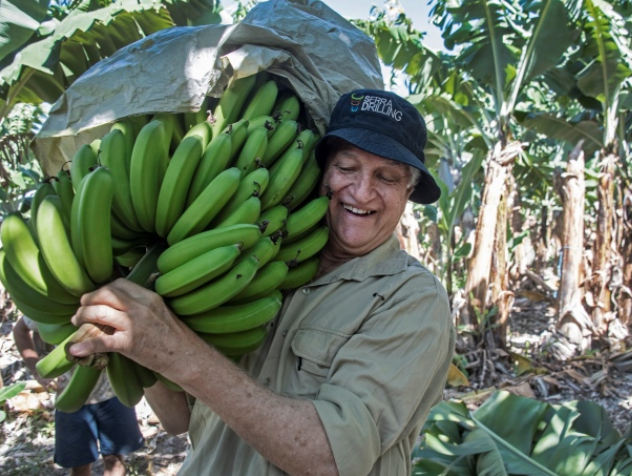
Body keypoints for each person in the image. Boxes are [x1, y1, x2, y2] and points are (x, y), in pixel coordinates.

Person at [68, 88, 456, 476]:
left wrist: (175, 348)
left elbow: (330, 457)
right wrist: (137, 324)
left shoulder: (412, 299)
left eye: (386, 177)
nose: (361, 191)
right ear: (322, 172)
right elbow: (177, 418)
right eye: (347, 167)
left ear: (408, 192)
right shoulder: (257, 264)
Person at [12, 315, 144, 476]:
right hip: (71, 394)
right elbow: (20, 330)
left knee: (114, 459)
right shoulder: (57, 308)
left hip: (112, 392)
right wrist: (36, 371)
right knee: (79, 465)